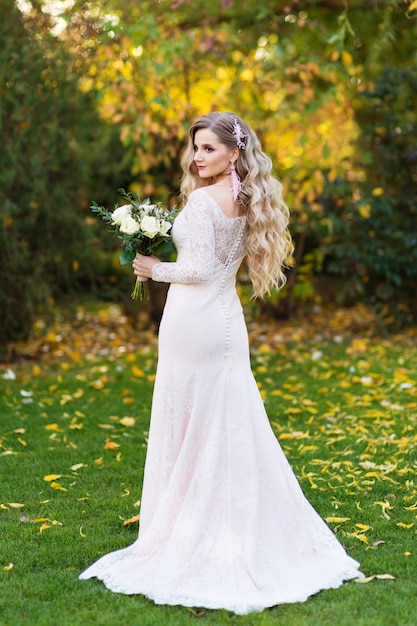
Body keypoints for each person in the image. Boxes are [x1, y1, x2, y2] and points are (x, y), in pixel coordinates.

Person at [79, 112, 363, 613]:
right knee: (227, 423)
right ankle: (226, 522)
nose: (197, 157)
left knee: (191, 420)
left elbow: (199, 267)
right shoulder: (246, 197)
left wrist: (152, 267)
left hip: (195, 324)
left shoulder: (204, 200)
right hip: (225, 323)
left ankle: (193, 530)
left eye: (208, 148)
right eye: (195, 148)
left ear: (234, 152)